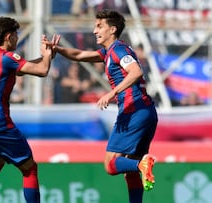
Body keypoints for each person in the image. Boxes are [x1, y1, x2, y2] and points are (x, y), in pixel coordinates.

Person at [53, 9, 158, 202]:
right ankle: (139, 169)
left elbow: (135, 71)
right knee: (129, 169)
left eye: (99, 26)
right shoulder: (108, 52)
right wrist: (57, 50)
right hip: (146, 111)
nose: (94, 31)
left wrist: (112, 92)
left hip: (132, 110)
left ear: (113, 29)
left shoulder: (119, 49)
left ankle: (142, 164)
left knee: (110, 165)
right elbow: (79, 54)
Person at [0, 16, 60, 203]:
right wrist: (46, 55)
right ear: (9, 37)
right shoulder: (7, 57)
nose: (17, 39)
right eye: (16, 35)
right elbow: (42, 70)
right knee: (29, 168)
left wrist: (46, 57)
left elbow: (24, 68)